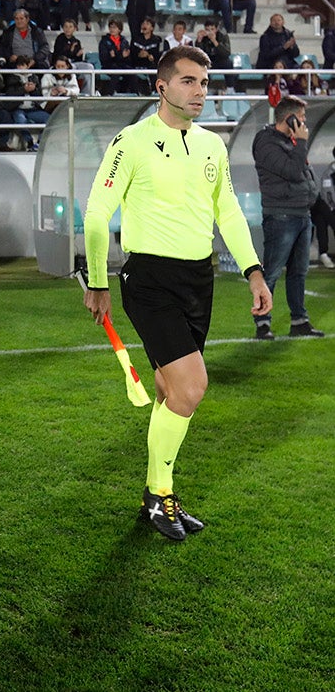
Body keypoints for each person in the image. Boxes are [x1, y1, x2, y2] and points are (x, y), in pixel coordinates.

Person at [83, 46, 271, 542]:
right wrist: (98, 281)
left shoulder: (212, 145)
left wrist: (253, 270)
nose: (199, 92)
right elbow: (97, 212)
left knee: (171, 392)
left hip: (198, 280)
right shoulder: (132, 141)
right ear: (162, 87)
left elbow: (227, 211)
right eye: (188, 82)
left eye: (204, 83)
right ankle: (160, 494)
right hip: (148, 280)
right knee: (191, 389)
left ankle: (156, 496)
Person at [252, 96, 323, 340]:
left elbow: (303, 173)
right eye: (301, 118)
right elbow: (293, 172)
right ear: (289, 118)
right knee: (271, 272)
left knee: (298, 272)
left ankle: (299, 321)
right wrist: (301, 142)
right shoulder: (266, 142)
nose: (304, 123)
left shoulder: (292, 141)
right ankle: (262, 323)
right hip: (280, 216)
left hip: (302, 214)